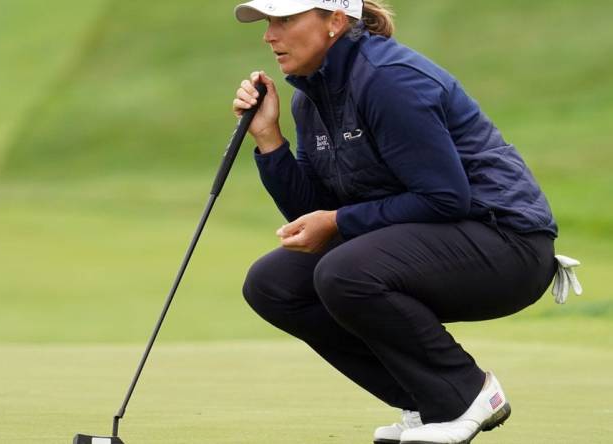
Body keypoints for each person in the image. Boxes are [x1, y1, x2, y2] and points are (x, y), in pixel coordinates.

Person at [231, 1, 564, 443]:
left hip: (507, 243)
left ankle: (465, 394)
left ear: (335, 21)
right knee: (274, 284)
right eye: (269, 22)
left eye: (285, 20)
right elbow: (316, 216)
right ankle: (426, 400)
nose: (270, 35)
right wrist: (269, 139)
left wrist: (337, 220)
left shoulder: (388, 78)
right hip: (433, 240)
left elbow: (445, 197)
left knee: (344, 271)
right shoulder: (312, 97)